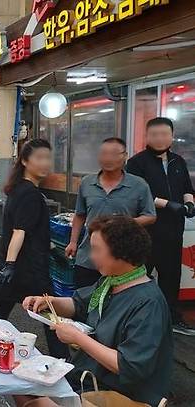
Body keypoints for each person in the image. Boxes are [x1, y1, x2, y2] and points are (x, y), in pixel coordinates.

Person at [22, 215, 172, 407]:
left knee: (31, 400)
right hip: (86, 378)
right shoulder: (111, 282)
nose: (91, 256)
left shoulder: (148, 303)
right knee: (21, 386)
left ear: (122, 252)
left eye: (96, 249)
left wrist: (78, 338)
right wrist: (49, 302)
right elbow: (79, 305)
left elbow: (128, 365)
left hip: (119, 394)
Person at [0, 139, 66, 357]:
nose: (45, 163)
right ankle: (63, 360)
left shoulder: (18, 188)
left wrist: (49, 246)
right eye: (39, 158)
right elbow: (19, 231)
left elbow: (27, 230)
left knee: (0, 311)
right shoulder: (29, 193)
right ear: (24, 161)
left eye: (48, 158)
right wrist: (10, 265)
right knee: (49, 312)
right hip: (28, 267)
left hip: (15, 265)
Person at [126, 117, 195, 335]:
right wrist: (168, 205)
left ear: (172, 136)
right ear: (147, 137)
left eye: (164, 134)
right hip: (145, 232)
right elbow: (139, 194)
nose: (160, 138)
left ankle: (171, 318)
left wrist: (189, 202)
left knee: (171, 277)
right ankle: (133, 319)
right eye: (154, 134)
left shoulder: (178, 161)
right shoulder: (136, 163)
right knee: (137, 276)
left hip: (173, 231)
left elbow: (187, 187)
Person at [65, 138, 156, 288]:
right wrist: (73, 242)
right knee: (83, 301)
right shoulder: (87, 182)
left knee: (117, 305)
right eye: (104, 154)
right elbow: (80, 214)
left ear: (125, 156)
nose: (108, 158)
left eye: (114, 154)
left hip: (122, 259)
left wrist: (123, 223)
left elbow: (151, 216)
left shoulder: (139, 185)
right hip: (89, 257)